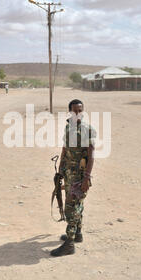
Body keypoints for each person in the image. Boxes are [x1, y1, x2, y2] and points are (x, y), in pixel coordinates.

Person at [50, 99, 96, 257]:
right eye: (75, 110)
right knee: (78, 205)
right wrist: (61, 171)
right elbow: (64, 150)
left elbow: (91, 157)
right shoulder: (68, 128)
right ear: (70, 112)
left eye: (80, 110)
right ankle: (77, 234)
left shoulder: (86, 130)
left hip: (79, 176)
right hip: (69, 173)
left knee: (72, 208)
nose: (78, 113)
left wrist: (86, 178)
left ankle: (69, 244)